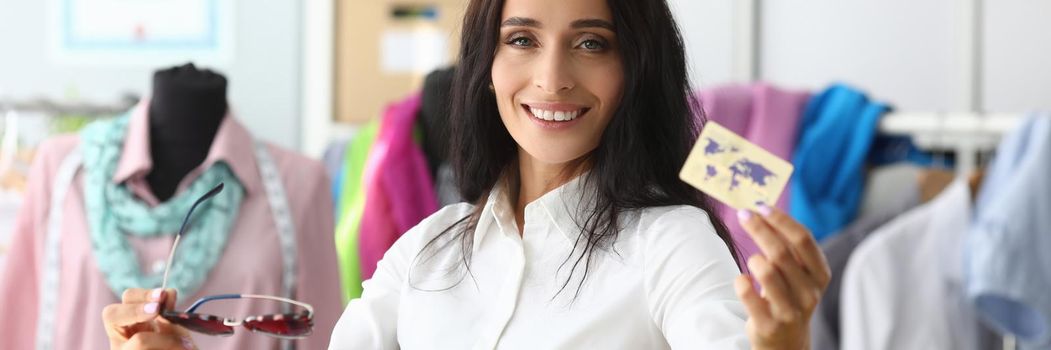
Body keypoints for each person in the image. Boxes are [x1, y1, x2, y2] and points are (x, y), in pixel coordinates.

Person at [103, 0, 830, 348]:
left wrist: (782, 342)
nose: (551, 77)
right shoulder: (426, 250)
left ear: (634, 71)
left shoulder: (671, 243)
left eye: (590, 42)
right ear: (485, 67)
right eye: (522, 39)